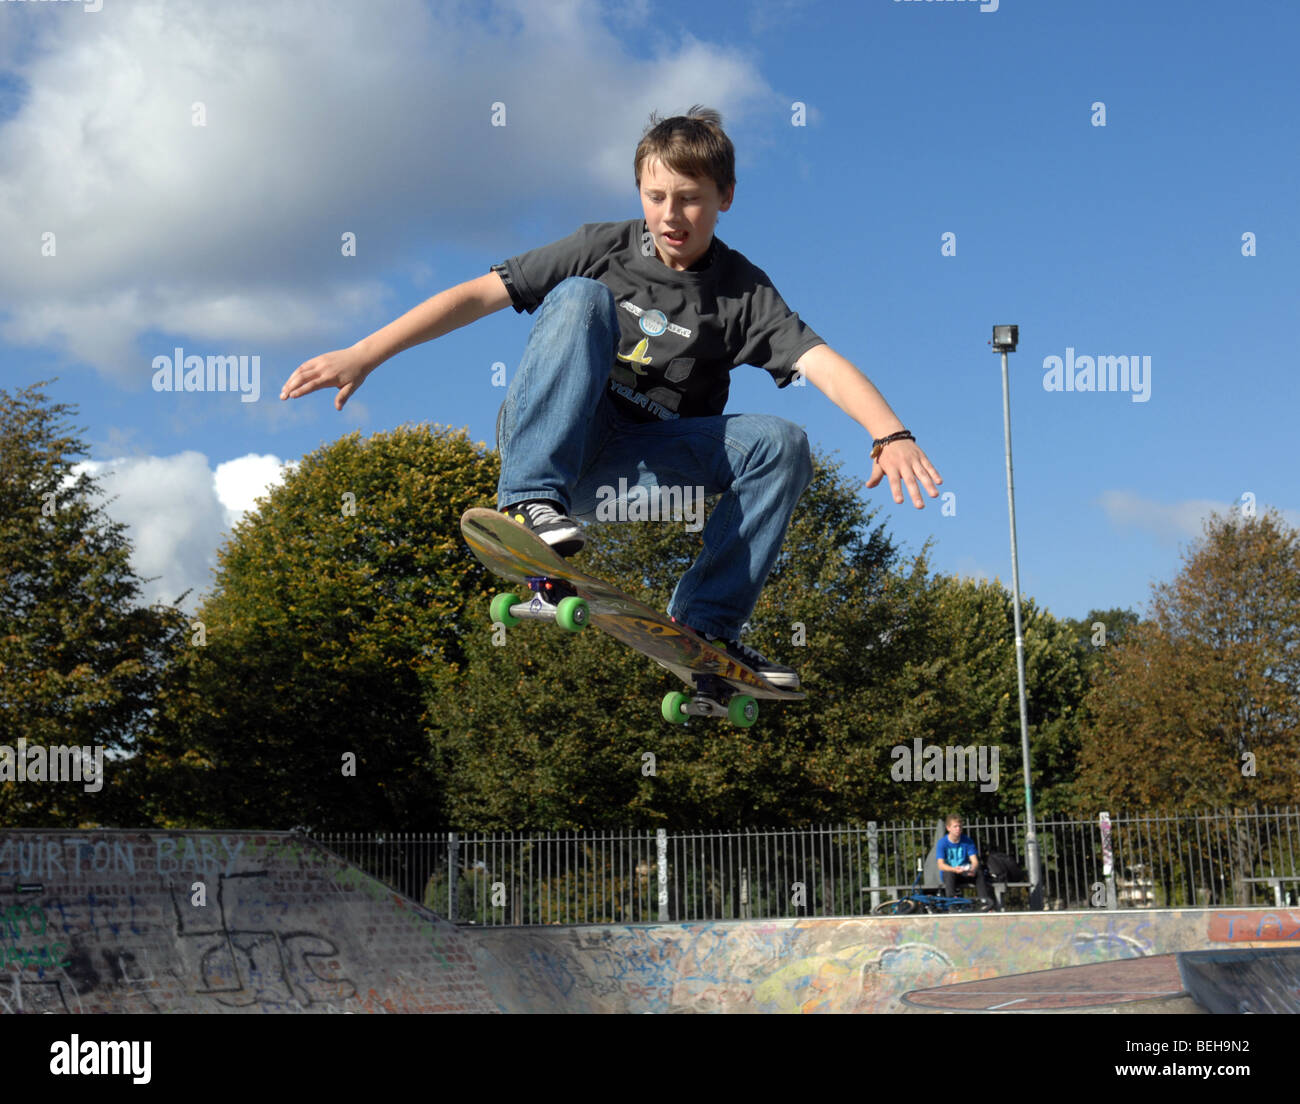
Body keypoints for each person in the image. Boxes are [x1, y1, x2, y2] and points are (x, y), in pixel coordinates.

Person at [279, 107, 941, 689]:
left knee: (783, 444)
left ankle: (706, 627)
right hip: (559, 438)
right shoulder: (605, 247)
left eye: (689, 199)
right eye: (656, 197)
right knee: (578, 296)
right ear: (640, 192)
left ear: (725, 197)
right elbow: (476, 295)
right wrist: (366, 352)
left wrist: (891, 433)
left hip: (644, 469)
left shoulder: (743, 291)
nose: (671, 216)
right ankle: (528, 502)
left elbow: (820, 363)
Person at [936, 813, 997, 911]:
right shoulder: (942, 843)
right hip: (951, 872)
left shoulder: (967, 841)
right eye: (955, 826)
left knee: (979, 872)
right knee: (948, 874)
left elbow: (975, 861)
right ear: (948, 828)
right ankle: (952, 904)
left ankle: (984, 902)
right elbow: (941, 865)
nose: (958, 829)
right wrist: (954, 869)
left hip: (964, 872)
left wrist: (972, 869)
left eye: (960, 826)